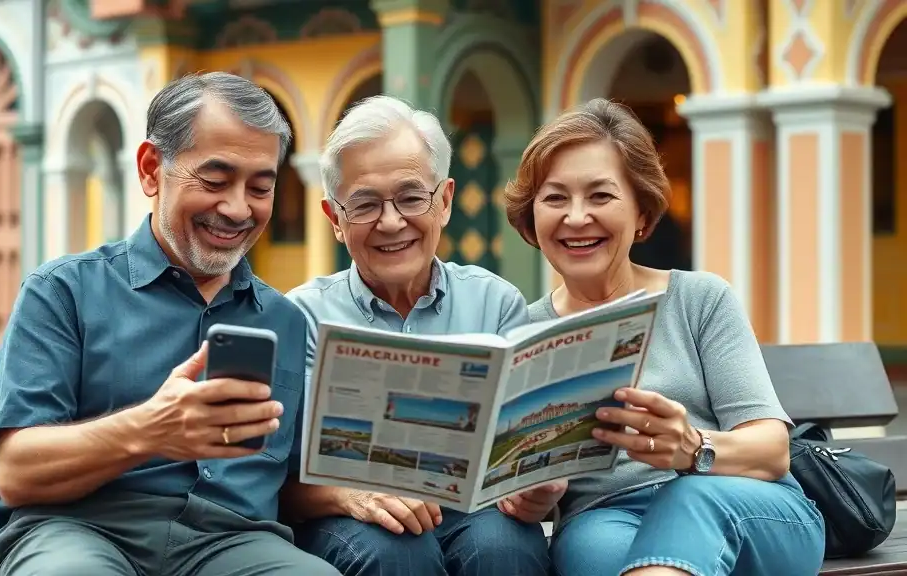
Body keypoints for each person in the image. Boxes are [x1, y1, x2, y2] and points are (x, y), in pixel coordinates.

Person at [0, 72, 340, 576]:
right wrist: (150, 429)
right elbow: (17, 473)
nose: (237, 209)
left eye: (260, 188)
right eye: (214, 181)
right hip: (79, 531)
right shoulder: (63, 291)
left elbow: (295, 480)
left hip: (233, 543)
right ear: (151, 169)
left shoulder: (287, 320)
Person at [503, 98, 826, 576]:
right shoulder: (522, 333)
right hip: (606, 517)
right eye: (555, 198)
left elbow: (772, 451)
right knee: (590, 556)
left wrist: (693, 448)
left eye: (600, 196)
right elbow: (524, 498)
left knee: (690, 498)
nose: (575, 217)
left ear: (641, 213)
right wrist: (533, 495)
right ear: (532, 219)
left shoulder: (699, 299)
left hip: (740, 502)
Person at [281, 95, 562, 576]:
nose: (391, 222)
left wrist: (539, 485)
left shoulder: (496, 304)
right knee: (395, 551)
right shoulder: (301, 316)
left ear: (445, 201)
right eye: (365, 204)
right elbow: (276, 480)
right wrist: (351, 495)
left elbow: (530, 449)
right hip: (348, 514)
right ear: (334, 219)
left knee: (504, 548)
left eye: (411, 197)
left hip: (474, 513)